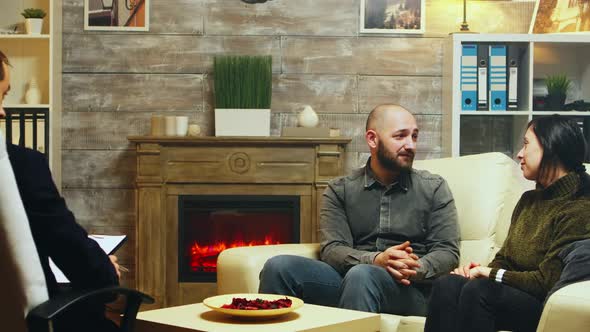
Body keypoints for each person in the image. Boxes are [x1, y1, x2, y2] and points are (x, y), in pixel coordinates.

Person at [259, 104, 460, 315]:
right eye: (400, 136)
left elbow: (447, 252)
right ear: (372, 139)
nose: (411, 145)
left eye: (415, 136)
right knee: (278, 268)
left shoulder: (434, 187)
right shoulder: (340, 190)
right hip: (352, 281)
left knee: (363, 275)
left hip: (410, 290)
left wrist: (410, 268)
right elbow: (333, 249)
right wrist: (375, 260)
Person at [425, 115, 590, 332]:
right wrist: (478, 271)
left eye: (526, 144)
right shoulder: (528, 200)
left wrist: (489, 274)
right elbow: (506, 258)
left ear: (551, 147)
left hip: (539, 304)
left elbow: (545, 281)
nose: (519, 154)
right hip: (507, 293)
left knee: (480, 291)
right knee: (447, 284)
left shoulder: (579, 208)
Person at [1, 50, 121, 331]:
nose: (3, 112)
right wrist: (106, 272)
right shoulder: (19, 165)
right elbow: (71, 249)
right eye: (2, 95)